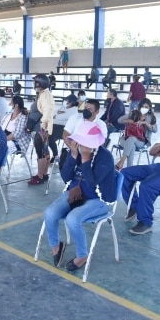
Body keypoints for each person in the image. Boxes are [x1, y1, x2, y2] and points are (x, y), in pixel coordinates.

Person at [43, 121, 118, 271]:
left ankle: (83, 255)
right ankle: (56, 247)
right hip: (75, 194)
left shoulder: (105, 157)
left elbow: (91, 182)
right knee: (49, 213)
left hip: (98, 200)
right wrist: (73, 156)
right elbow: (66, 177)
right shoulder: (76, 151)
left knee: (73, 219)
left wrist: (85, 159)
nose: (79, 144)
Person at [115, 98, 158, 170]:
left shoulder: (151, 117)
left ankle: (121, 162)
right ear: (139, 106)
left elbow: (155, 130)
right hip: (125, 139)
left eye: (146, 107)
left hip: (141, 141)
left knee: (132, 139)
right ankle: (129, 169)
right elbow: (119, 120)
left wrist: (146, 123)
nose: (144, 108)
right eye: (142, 106)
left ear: (149, 108)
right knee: (132, 146)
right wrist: (128, 120)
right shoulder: (133, 113)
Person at [27, 74, 55, 185]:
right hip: (42, 128)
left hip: (41, 128)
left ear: (40, 83)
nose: (34, 84)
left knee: (40, 153)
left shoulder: (44, 96)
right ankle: (44, 174)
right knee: (45, 151)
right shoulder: (44, 94)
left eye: (35, 82)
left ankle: (40, 176)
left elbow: (47, 111)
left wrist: (42, 126)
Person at [48, 94, 78, 162]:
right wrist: (57, 113)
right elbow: (52, 114)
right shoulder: (63, 107)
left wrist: (56, 116)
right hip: (54, 126)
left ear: (71, 102)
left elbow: (60, 117)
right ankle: (54, 155)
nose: (65, 102)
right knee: (47, 135)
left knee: (49, 137)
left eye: (67, 100)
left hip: (64, 129)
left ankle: (55, 156)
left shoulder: (74, 110)